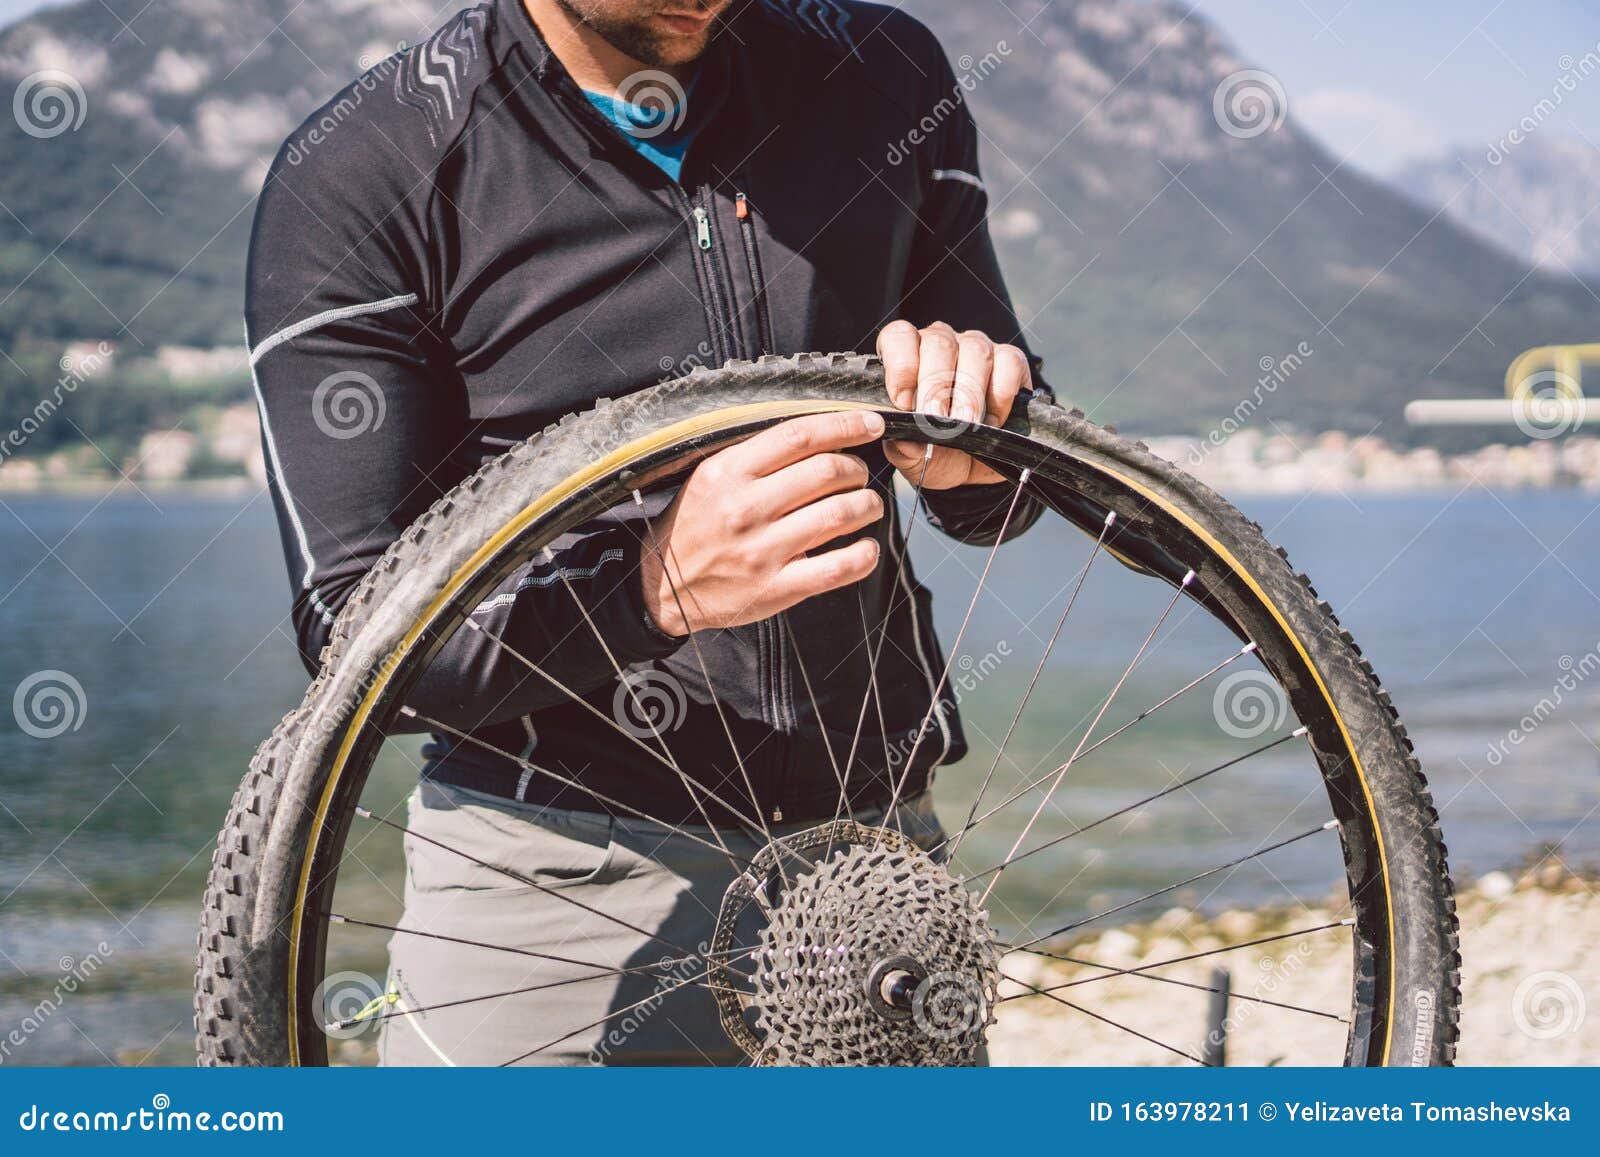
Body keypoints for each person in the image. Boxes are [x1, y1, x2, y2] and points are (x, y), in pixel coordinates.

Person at [247, 0, 1049, 1065]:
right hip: (552, 889)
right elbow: (356, 639)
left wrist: (981, 444)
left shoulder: (882, 70)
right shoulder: (365, 168)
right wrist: (655, 585)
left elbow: (1004, 485)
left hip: (874, 857)